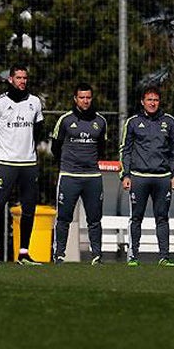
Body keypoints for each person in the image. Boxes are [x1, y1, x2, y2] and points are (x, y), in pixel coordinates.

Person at [0, 64, 44, 266]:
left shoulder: (35, 102)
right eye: (18, 78)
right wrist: (1, 153)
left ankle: (24, 252)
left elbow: (38, 131)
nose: (22, 81)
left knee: (29, 208)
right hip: (6, 163)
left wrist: (28, 151)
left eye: (25, 78)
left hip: (28, 163)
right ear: (10, 79)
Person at [119, 86, 174, 267]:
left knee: (162, 218)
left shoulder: (169, 121)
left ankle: (164, 256)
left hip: (163, 178)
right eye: (149, 100)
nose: (152, 103)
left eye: (155, 100)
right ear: (142, 102)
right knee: (136, 218)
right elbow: (126, 150)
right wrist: (126, 175)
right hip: (139, 177)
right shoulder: (132, 122)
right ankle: (133, 256)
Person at [51, 83, 107, 265]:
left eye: (88, 97)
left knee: (94, 219)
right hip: (69, 176)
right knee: (63, 217)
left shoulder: (101, 121)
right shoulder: (65, 120)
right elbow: (55, 147)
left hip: (92, 177)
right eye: (82, 97)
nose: (85, 101)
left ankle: (96, 256)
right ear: (75, 99)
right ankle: (59, 254)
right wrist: (69, 164)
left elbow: (102, 148)